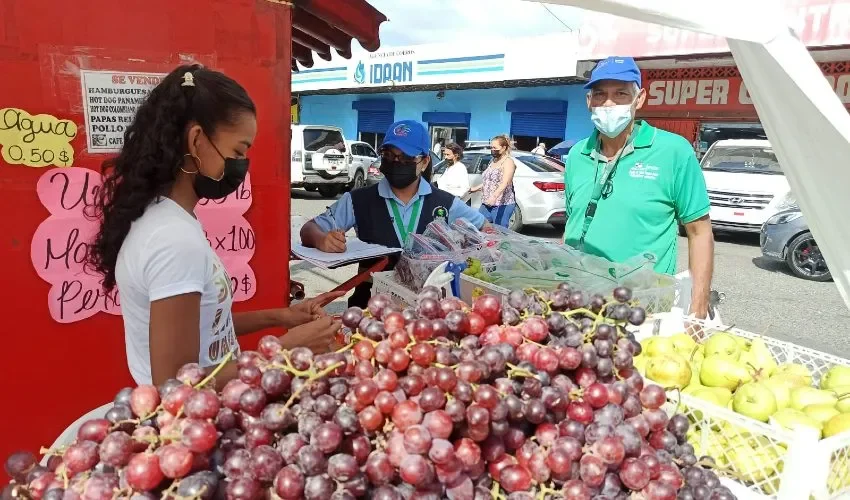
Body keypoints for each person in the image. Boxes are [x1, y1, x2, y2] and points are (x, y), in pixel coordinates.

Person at [86, 64, 342, 387]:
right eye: (238, 151)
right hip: (194, 416)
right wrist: (287, 350)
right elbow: (174, 386)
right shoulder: (173, 241)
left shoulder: (169, 219)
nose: (241, 167)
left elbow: (204, 322)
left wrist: (282, 316)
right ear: (196, 141)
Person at [563, 56, 714, 318]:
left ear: (639, 98)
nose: (608, 104)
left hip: (643, 307)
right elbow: (572, 224)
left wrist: (697, 309)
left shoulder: (673, 151)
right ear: (589, 101)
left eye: (620, 94)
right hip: (580, 301)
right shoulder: (577, 155)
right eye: (600, 95)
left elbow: (700, 233)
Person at [300, 120, 487, 308]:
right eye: (389, 155)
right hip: (369, 309)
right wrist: (321, 240)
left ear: (424, 162)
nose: (396, 162)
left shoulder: (445, 204)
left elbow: (485, 229)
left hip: (426, 311)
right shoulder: (358, 200)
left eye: (406, 158)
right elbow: (309, 229)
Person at [470, 135, 517, 228]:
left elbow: (506, 182)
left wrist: (494, 197)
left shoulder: (508, 162)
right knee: (479, 226)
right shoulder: (493, 160)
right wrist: (475, 188)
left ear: (503, 148)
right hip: (487, 203)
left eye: (495, 148)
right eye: (491, 147)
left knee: (500, 231)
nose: (492, 150)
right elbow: (489, 181)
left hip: (502, 204)